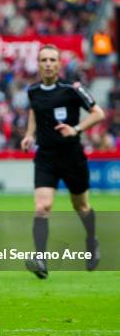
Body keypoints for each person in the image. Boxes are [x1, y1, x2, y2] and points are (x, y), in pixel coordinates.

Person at [21, 44, 105, 279]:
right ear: (38, 64)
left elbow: (99, 113)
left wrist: (76, 129)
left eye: (52, 60)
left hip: (72, 157)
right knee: (42, 207)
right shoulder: (33, 91)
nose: (48, 63)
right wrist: (29, 134)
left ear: (59, 64)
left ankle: (91, 242)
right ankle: (40, 259)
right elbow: (34, 112)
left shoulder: (73, 89)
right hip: (46, 157)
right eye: (44, 60)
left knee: (81, 207)